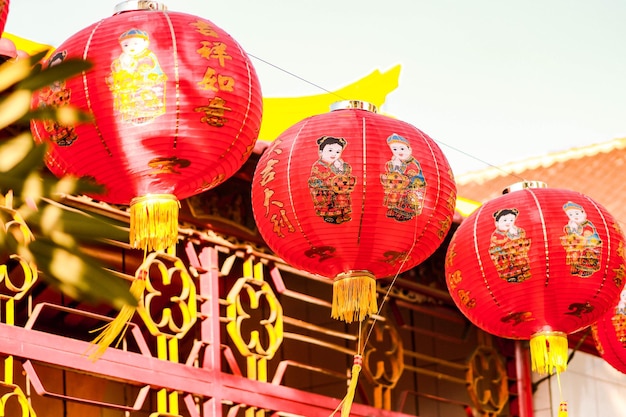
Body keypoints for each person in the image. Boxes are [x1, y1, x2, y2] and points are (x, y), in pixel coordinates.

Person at [106, 28, 167, 125]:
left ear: (145, 43)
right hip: (129, 85)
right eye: (126, 45)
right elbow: (116, 69)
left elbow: (147, 67)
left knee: (145, 97)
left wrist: (137, 72)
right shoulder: (122, 58)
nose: (130, 47)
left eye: (135, 43)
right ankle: (130, 114)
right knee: (128, 98)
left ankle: (149, 111)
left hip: (147, 82)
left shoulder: (147, 56)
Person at [308, 135, 355, 224]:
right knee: (330, 204)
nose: (334, 154)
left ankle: (342, 214)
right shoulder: (319, 165)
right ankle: (330, 216)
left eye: (337, 152)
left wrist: (341, 168)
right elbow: (319, 177)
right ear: (321, 152)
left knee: (342, 201)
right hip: (325, 190)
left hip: (338, 189)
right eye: (330, 150)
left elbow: (346, 174)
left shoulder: (339, 164)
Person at [380, 133, 426, 221]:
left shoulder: (412, 162)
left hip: (412, 187)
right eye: (395, 149)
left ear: (409, 149)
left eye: (402, 148)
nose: (399, 152)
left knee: (407, 199)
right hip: (399, 185)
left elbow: (415, 175)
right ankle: (395, 210)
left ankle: (405, 212)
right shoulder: (395, 161)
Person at [488, 208, 532, 282]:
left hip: (518, 256)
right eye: (504, 220)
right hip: (505, 257)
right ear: (497, 223)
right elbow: (499, 244)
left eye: (511, 220)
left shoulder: (517, 230)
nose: (508, 222)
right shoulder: (497, 235)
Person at [560, 201, 602, 277]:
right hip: (578, 246)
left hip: (589, 246)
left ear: (582, 213)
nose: (575, 216)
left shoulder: (587, 224)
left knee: (583, 254)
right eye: (571, 214)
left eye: (577, 213)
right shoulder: (571, 225)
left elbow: (588, 234)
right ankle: (575, 269)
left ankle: (585, 269)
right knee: (574, 253)